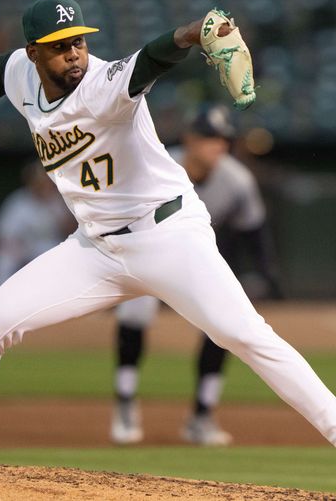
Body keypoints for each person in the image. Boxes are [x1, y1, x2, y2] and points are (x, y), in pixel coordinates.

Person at [0, 0, 336, 487]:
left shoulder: (105, 83)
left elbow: (152, 59)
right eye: (61, 47)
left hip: (168, 236)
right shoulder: (22, 71)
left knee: (247, 335)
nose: (74, 54)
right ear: (34, 52)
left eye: (80, 41)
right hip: (94, 250)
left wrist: (191, 32)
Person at [111, 104, 281, 446]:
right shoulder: (159, 165)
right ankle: (125, 403)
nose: (218, 146)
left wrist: (268, 274)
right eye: (209, 139)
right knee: (134, 315)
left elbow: (254, 232)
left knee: (224, 324)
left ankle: (202, 416)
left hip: (197, 261)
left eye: (223, 140)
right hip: (147, 252)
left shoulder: (237, 181)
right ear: (190, 140)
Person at [0, 160, 74, 294]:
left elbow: (71, 231)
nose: (42, 184)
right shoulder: (18, 200)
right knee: (2, 258)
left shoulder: (57, 200)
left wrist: (51, 210)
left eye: (44, 180)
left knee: (51, 252)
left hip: (47, 246)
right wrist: (15, 248)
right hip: (21, 246)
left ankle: (52, 297)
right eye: (38, 180)